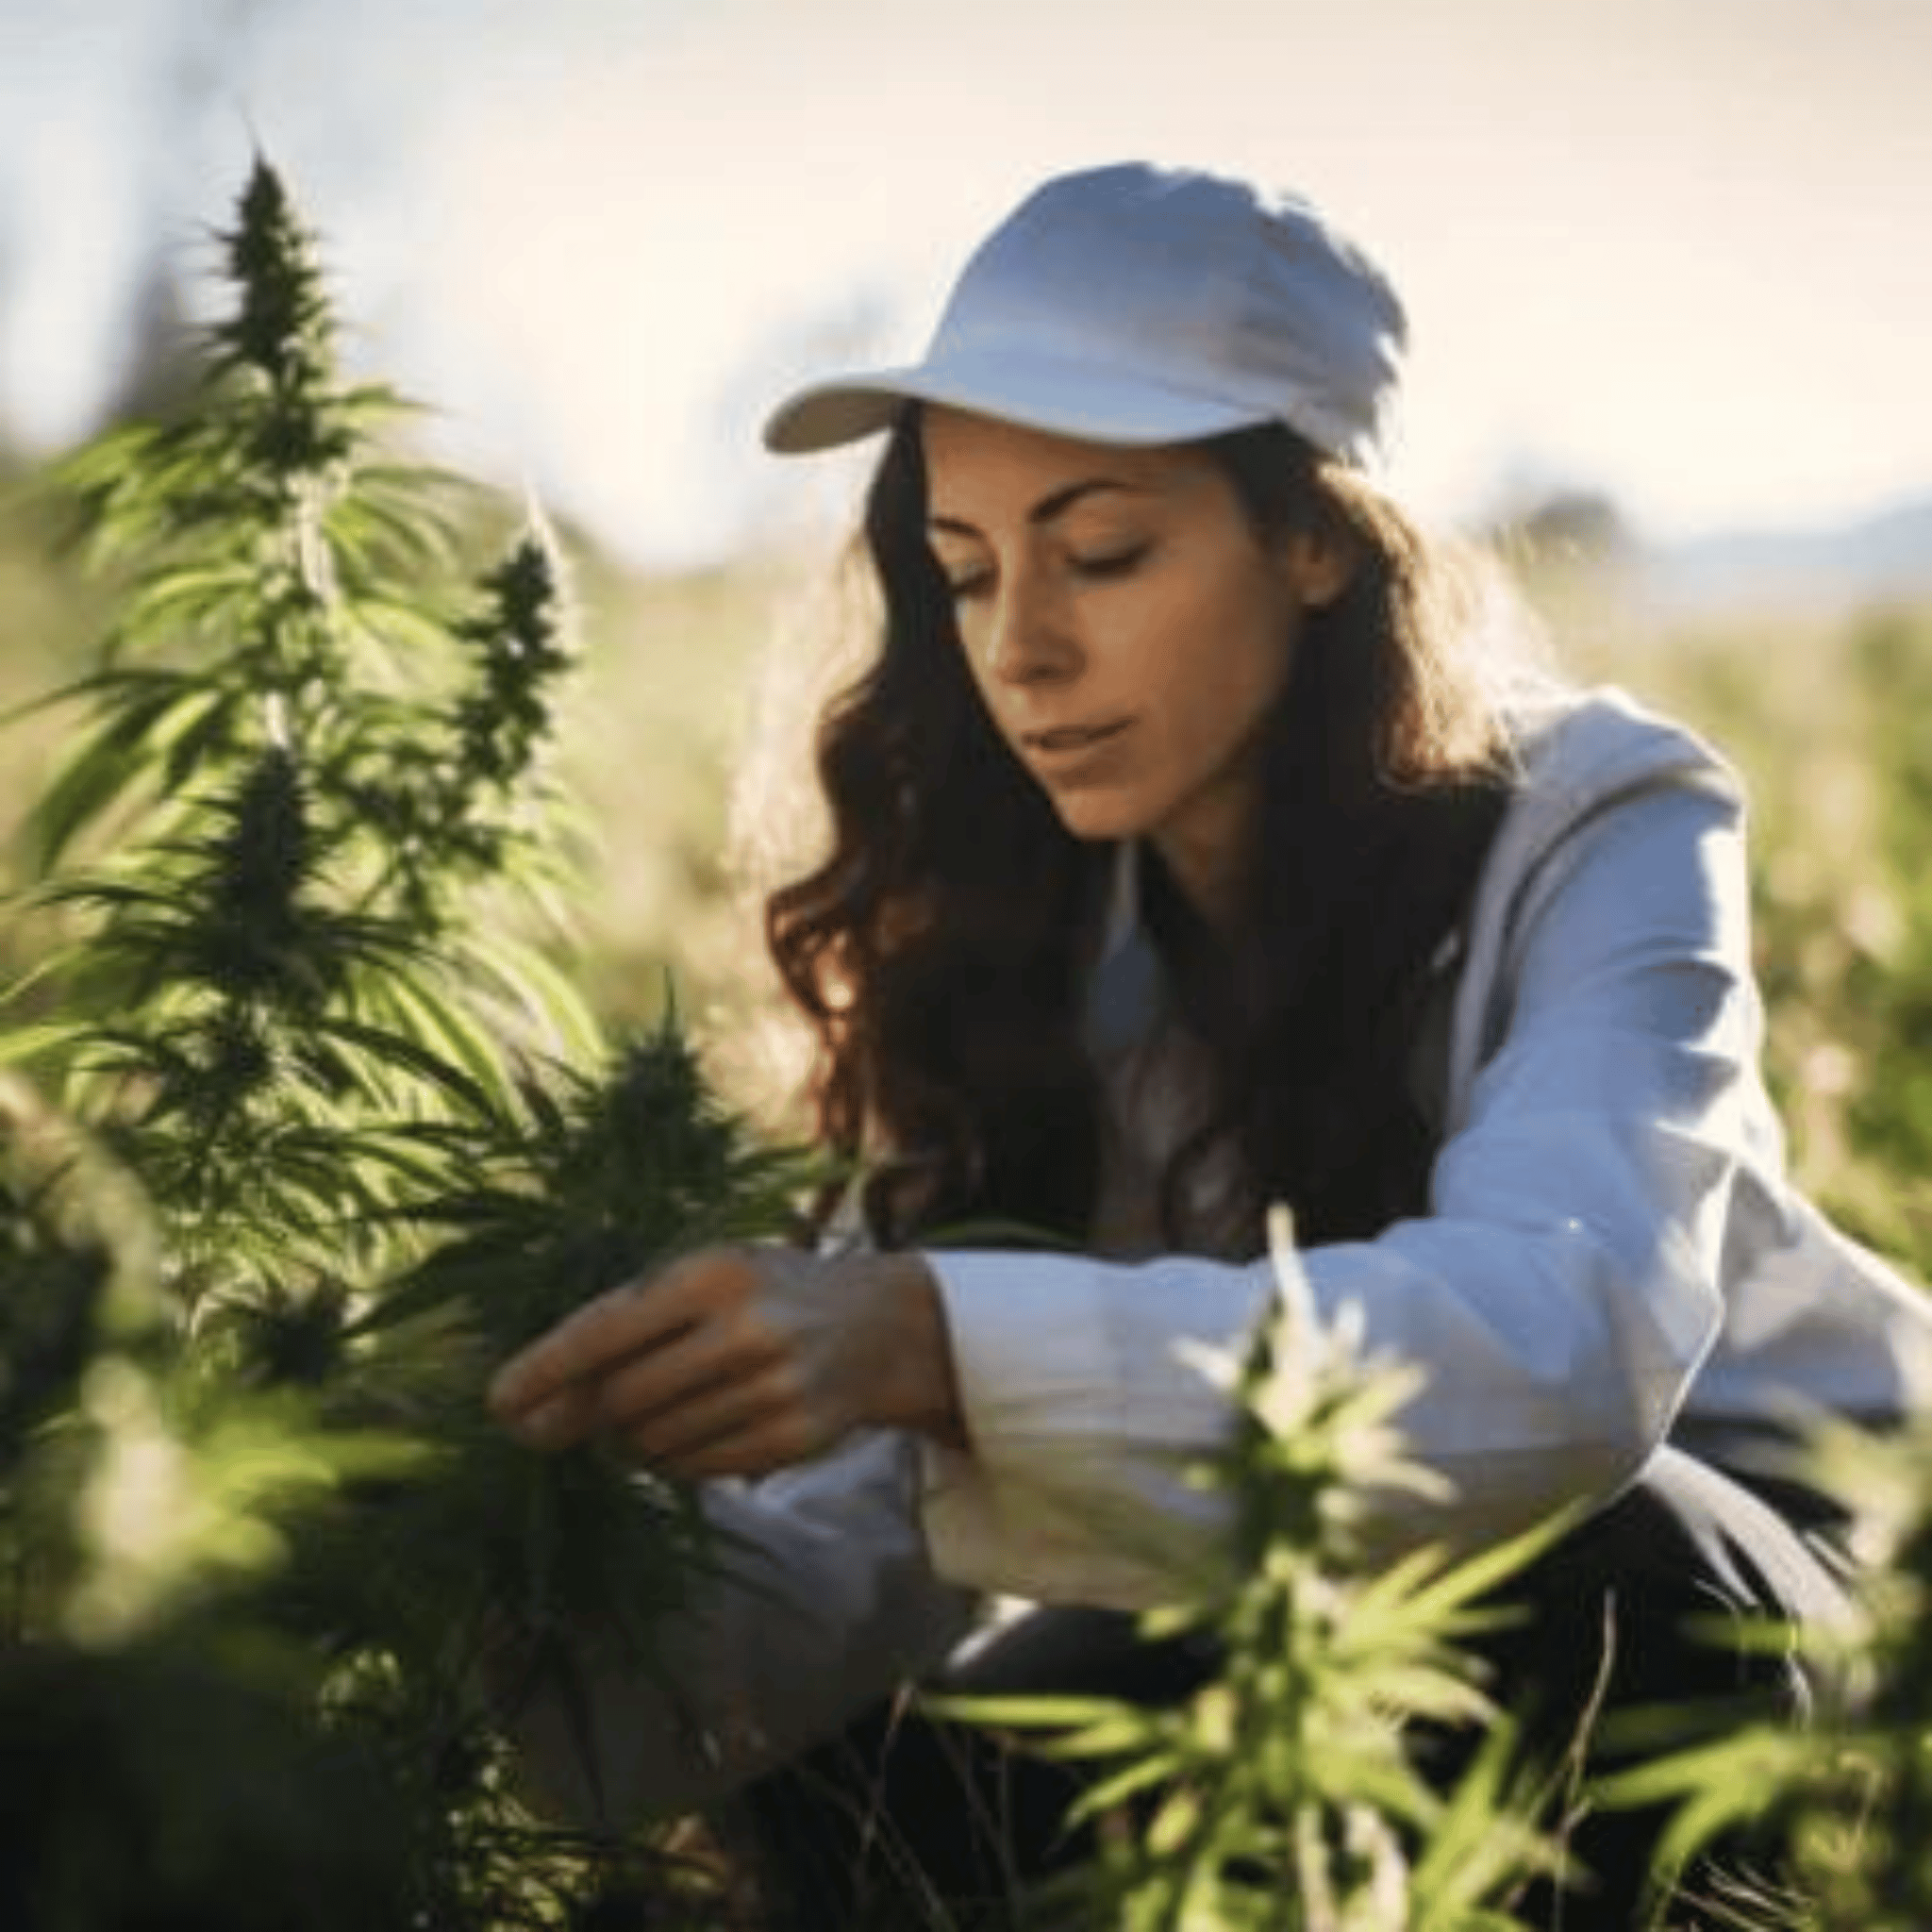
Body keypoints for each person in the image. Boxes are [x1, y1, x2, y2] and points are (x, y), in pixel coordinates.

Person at [486, 162, 1932, 1926]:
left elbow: (1574, 1353)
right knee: (861, 1764)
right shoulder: (1013, 935)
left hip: (1790, 1597)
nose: (1021, 647)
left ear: (1317, 538)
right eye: (963, 571)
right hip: (1300, 1616)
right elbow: (859, 1540)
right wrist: (465, 1564)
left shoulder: (1603, 815)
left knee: (1614, 1565)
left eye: (1103, 552)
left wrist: (928, 1337)